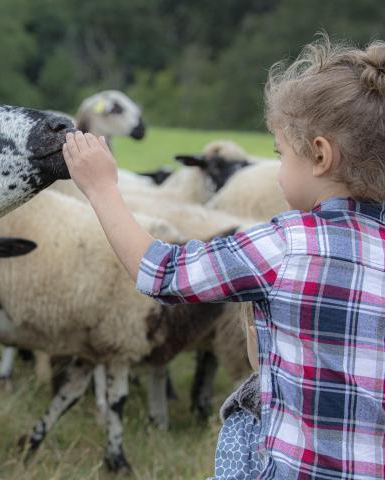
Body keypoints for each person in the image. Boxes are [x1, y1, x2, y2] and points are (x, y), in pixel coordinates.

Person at [62, 35, 385, 479]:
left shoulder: (283, 246)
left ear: (320, 156)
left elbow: (162, 272)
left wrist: (101, 189)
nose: (274, 168)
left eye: (280, 154)